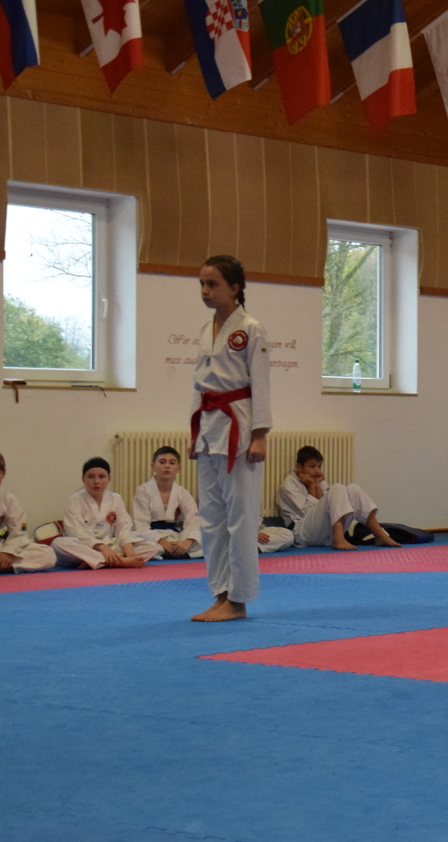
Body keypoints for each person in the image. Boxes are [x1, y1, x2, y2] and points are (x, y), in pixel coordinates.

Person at [189, 254, 272, 622]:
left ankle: (239, 600)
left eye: (213, 284)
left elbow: (261, 385)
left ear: (234, 289)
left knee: (241, 519)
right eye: (202, 284)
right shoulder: (205, 330)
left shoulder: (251, 329)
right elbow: (199, 387)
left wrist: (260, 435)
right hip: (208, 428)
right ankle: (221, 593)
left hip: (239, 428)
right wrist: (193, 433)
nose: (205, 291)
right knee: (211, 519)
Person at [276, 446, 400, 550]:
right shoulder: (289, 486)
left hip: (324, 533)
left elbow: (324, 508)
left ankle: (379, 535)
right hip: (302, 534)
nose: (317, 471)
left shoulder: (318, 481)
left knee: (352, 488)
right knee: (337, 488)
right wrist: (312, 486)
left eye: (319, 466)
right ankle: (339, 538)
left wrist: (316, 484)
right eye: (312, 466)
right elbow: (308, 513)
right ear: (299, 467)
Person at [52, 457, 160, 570]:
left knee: (153, 547)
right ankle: (119, 561)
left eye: (101, 476)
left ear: (109, 478)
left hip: (110, 544)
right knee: (58, 544)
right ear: (83, 479)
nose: (96, 481)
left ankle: (97, 561)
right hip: (86, 545)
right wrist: (102, 547)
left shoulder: (116, 499)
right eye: (91, 477)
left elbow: (123, 526)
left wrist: (129, 550)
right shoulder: (76, 500)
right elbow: (76, 531)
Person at [130, 446, 203, 559]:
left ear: (178, 468)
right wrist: (160, 541)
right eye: (162, 462)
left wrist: (187, 541)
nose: (167, 466)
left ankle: (173, 551)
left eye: (172, 463)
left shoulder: (182, 493)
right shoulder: (143, 490)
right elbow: (140, 525)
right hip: (152, 538)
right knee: (138, 542)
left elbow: (193, 520)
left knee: (206, 539)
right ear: (153, 466)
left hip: (176, 537)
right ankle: (175, 553)